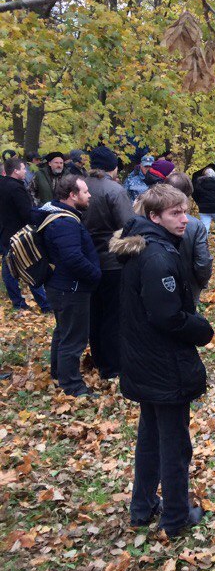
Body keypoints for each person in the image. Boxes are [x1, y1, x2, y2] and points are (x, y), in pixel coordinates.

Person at [110, 184, 214, 536]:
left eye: (185, 211)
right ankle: (175, 516)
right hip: (162, 364)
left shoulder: (149, 246)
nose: (184, 219)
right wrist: (202, 329)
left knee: (151, 436)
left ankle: (142, 508)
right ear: (154, 216)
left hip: (146, 360)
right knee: (173, 443)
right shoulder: (156, 257)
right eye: (175, 213)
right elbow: (167, 316)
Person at [35, 175, 101, 397]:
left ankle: (58, 373)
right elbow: (72, 258)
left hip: (61, 286)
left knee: (63, 331)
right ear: (73, 196)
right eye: (85, 191)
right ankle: (72, 386)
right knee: (74, 338)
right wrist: (95, 275)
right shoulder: (64, 222)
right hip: (70, 288)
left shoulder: (57, 215)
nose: (89, 194)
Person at [83, 146, 135, 380]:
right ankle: (113, 366)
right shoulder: (114, 190)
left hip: (85, 260)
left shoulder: (79, 186)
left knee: (94, 312)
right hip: (112, 261)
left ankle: (100, 358)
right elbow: (129, 226)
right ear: (113, 167)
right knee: (113, 314)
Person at [0, 157, 51, 312]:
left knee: (9, 269)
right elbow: (26, 213)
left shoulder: (3, 185)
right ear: (15, 171)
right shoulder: (16, 188)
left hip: (5, 233)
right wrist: (44, 215)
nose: (25, 171)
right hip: (20, 235)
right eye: (23, 168)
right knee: (31, 266)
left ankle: (18, 302)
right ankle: (44, 304)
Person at [165, 173, 214, 304]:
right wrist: (201, 284)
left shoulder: (151, 218)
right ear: (187, 195)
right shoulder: (195, 226)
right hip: (187, 289)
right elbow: (203, 262)